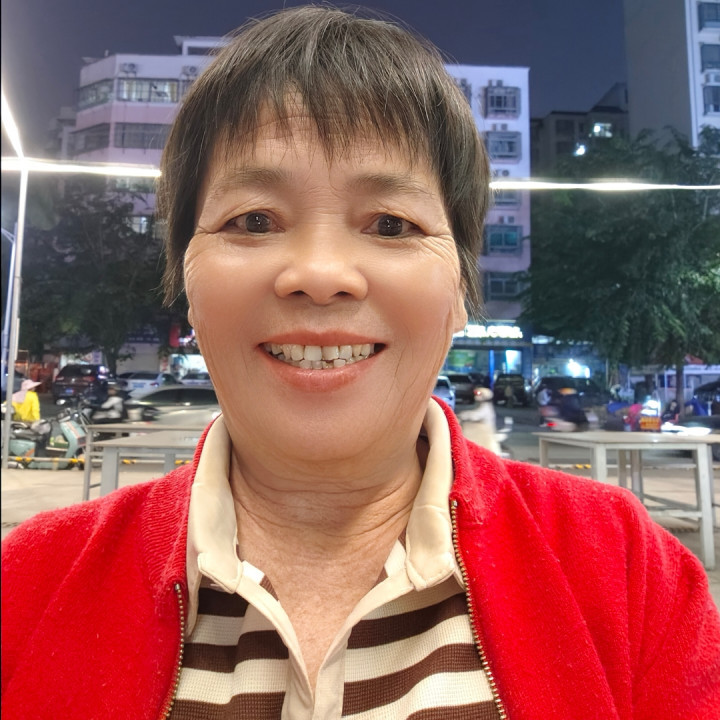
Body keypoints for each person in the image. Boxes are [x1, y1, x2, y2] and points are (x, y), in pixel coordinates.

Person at [2, 7, 719, 719]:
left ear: (462, 291)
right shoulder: (27, 585)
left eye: (391, 225)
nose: (320, 274)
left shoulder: (628, 573)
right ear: (187, 279)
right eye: (254, 220)